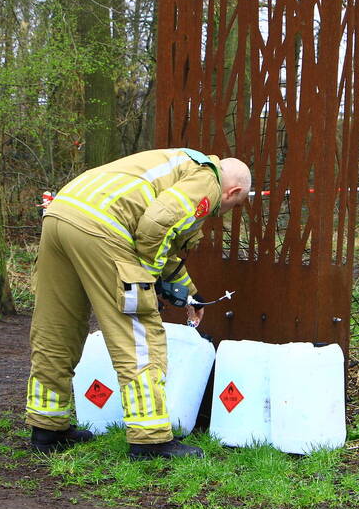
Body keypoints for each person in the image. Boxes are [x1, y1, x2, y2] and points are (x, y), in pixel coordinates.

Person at [27, 148, 250, 459]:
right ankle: (150, 440)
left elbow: (162, 239)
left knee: (57, 328)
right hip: (103, 227)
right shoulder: (207, 181)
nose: (224, 211)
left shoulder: (176, 164)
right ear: (233, 192)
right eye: (234, 205)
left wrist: (189, 293)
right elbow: (157, 226)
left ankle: (47, 428)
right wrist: (145, 279)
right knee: (138, 334)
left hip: (62, 214)